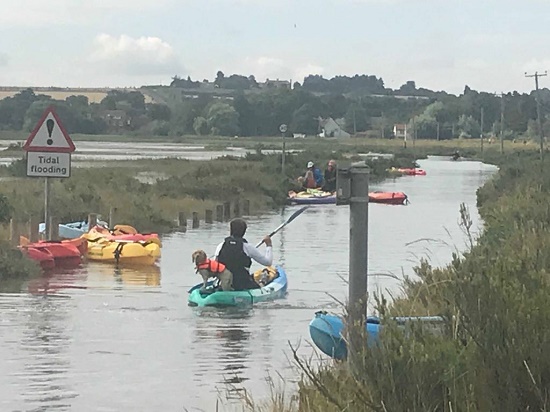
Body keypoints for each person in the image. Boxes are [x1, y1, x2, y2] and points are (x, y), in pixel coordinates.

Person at [214, 218, 272, 291]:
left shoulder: (221, 246)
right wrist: (268, 245)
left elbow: (215, 266)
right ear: (244, 232)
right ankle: (261, 283)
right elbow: (268, 262)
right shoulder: (248, 247)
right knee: (262, 280)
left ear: (230, 230)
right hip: (243, 284)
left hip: (224, 282)